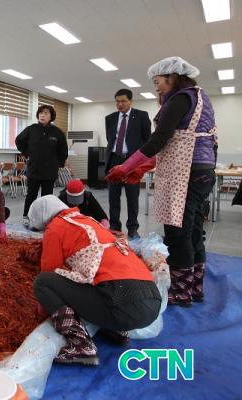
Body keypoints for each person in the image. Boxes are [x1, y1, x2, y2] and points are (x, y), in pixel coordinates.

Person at [107, 56, 217, 307]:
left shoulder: (180, 99)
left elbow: (158, 141)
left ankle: (181, 291)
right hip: (202, 171)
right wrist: (142, 167)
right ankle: (195, 287)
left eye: (158, 82)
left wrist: (126, 167)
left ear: (172, 77)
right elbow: (176, 141)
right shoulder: (199, 97)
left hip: (186, 172)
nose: (156, 87)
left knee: (178, 232)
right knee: (193, 230)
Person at [29, 195, 161, 365]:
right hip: (151, 301)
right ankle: (116, 329)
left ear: (43, 219)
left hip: (122, 305)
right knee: (94, 281)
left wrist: (44, 306)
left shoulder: (55, 228)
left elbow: (50, 269)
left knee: (43, 282)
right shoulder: (88, 221)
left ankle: (81, 345)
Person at [105, 89, 151, 239]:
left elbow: (147, 140)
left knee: (132, 196)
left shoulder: (142, 116)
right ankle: (114, 227)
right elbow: (110, 139)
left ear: (131, 101)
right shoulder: (110, 118)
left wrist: (141, 164)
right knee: (113, 196)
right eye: (117, 101)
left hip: (133, 161)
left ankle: (132, 228)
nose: (120, 104)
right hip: (114, 159)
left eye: (123, 101)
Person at [15, 105, 68, 227]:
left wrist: (59, 165)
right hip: (34, 168)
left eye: (46, 113)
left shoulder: (58, 132)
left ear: (51, 116)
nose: (42, 115)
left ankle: (45, 218)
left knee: (47, 196)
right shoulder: (31, 129)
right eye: (41, 113)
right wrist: (26, 153)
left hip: (50, 170)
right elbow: (19, 141)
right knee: (31, 194)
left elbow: (63, 151)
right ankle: (27, 216)